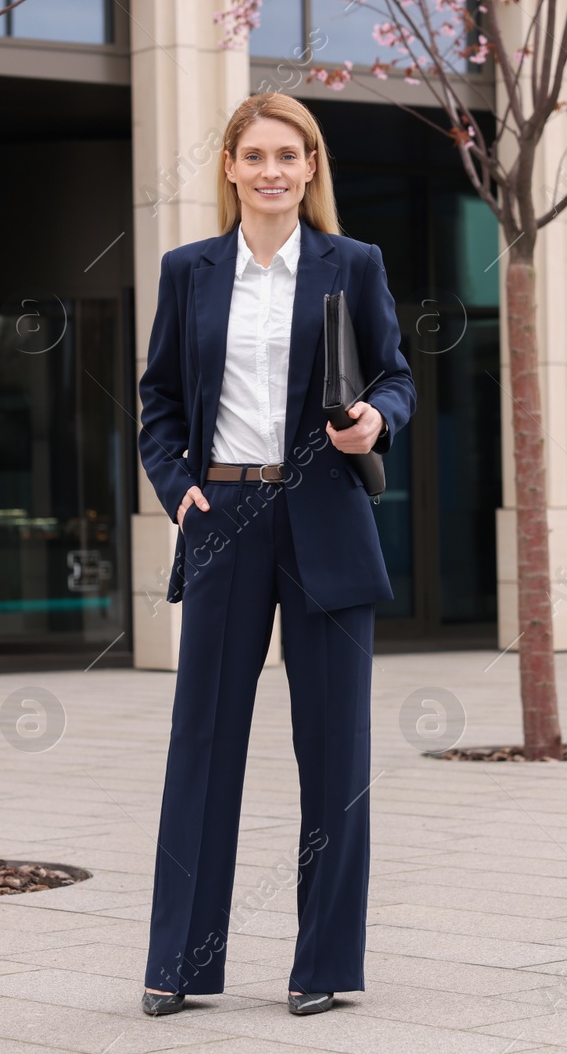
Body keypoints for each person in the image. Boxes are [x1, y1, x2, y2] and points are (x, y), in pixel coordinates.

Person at [135, 92, 415, 1019]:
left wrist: (376, 418)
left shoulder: (352, 264)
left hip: (327, 511)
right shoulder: (189, 271)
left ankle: (323, 963)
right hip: (223, 512)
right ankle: (179, 960)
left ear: (310, 167)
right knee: (202, 745)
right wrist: (178, 487)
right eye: (254, 155)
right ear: (230, 166)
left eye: (288, 156)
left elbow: (395, 375)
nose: (271, 171)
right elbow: (161, 400)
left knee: (335, 749)